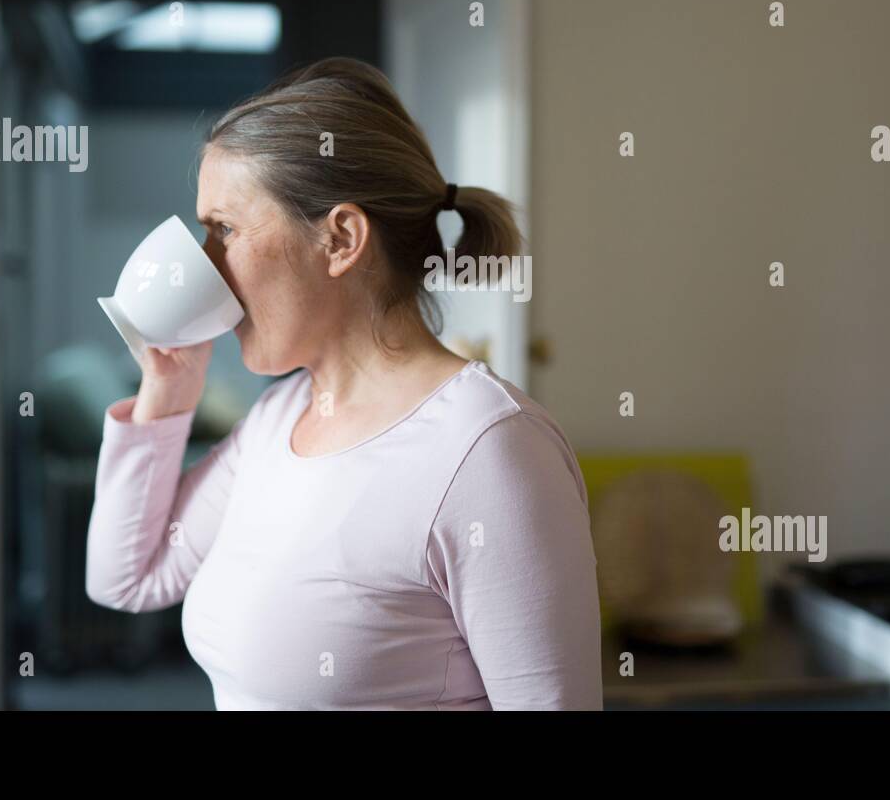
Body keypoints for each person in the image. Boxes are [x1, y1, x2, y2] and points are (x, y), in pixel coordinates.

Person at [85, 57, 602, 709]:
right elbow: (128, 577)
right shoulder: (279, 421)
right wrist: (168, 393)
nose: (205, 267)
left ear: (341, 239)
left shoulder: (491, 451)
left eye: (224, 229)